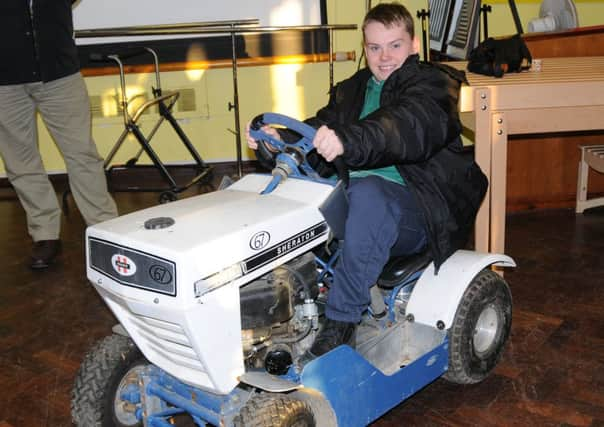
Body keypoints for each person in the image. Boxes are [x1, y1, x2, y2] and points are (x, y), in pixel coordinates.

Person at [246, 2, 488, 361]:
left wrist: (349, 140)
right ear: (365, 49)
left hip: (416, 208)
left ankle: (341, 323)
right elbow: (314, 134)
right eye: (374, 47)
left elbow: (406, 126)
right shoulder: (351, 90)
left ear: (415, 45)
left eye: (395, 45)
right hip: (356, 200)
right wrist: (274, 139)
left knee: (369, 193)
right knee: (278, 192)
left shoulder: (434, 84)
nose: (384, 57)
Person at [0, 0, 118, 269]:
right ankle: (45, 235)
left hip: (60, 74)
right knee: (20, 162)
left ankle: (105, 229)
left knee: (83, 155)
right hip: (4, 81)